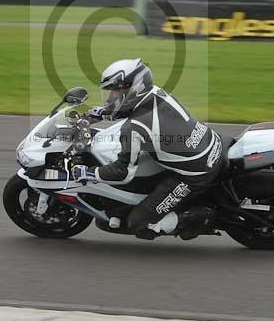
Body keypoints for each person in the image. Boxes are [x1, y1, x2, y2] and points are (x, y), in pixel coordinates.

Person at [73, 58, 225, 240]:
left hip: (195, 174)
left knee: (139, 223)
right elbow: (132, 109)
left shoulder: (134, 128)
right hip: (211, 144)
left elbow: (123, 173)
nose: (110, 96)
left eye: (115, 90)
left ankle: (204, 215)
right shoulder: (156, 93)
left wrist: (89, 173)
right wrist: (98, 113)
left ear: (133, 88)